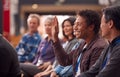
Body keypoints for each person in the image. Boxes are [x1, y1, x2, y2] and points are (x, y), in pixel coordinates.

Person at [51, 10, 107, 77]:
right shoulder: (82, 43)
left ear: (91, 27)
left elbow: (91, 74)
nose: (74, 28)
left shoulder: (99, 47)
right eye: (75, 24)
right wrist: (55, 38)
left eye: (79, 24)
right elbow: (65, 60)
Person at [78, 5, 120, 77]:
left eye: (102, 23)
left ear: (110, 24)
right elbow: (93, 71)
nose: (100, 26)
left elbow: (106, 74)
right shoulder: (109, 46)